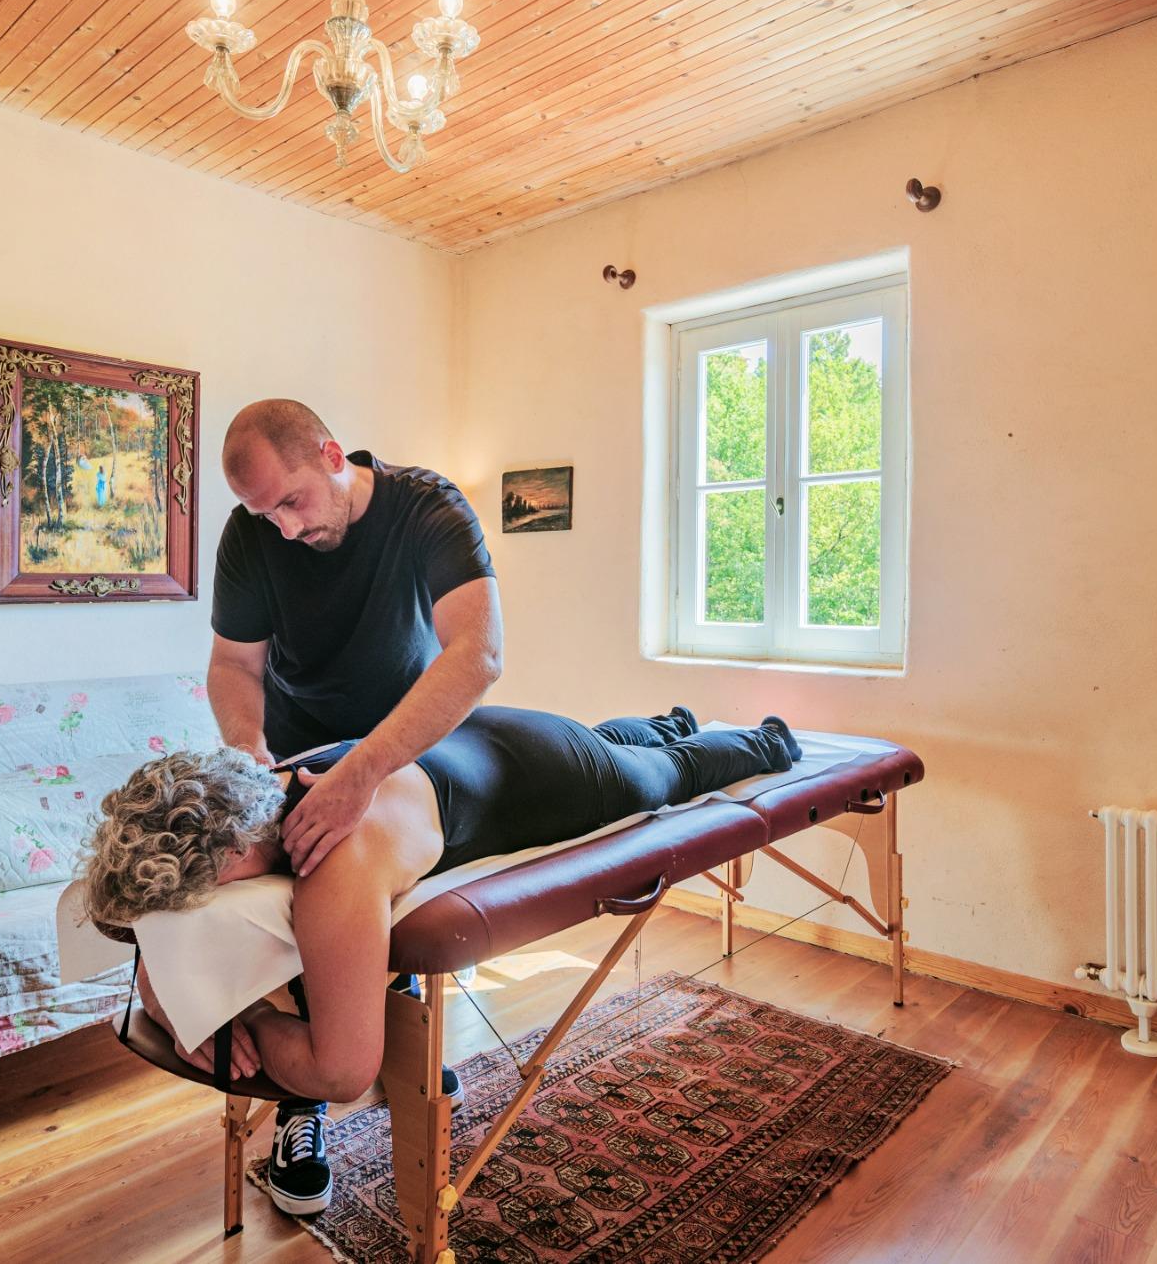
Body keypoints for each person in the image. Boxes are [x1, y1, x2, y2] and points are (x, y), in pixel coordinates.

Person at [83, 705, 805, 1213]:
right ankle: (665, 720)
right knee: (613, 744)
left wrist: (246, 1028)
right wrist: (170, 1002)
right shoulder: (258, 786)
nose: (199, 913)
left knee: (665, 774)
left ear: (236, 853)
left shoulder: (336, 866)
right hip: (485, 737)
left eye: (199, 898)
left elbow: (342, 1072)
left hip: (547, 773)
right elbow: (148, 932)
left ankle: (766, 739)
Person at [204, 398, 502, 1211]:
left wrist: (365, 771)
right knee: (307, 896)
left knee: (367, 904)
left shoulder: (426, 506)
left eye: (292, 502)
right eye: (265, 514)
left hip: (405, 752)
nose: (285, 528)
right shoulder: (252, 536)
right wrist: (245, 747)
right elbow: (234, 665)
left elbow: (478, 653)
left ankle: (398, 1049)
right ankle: (306, 1104)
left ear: (333, 456)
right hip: (299, 749)